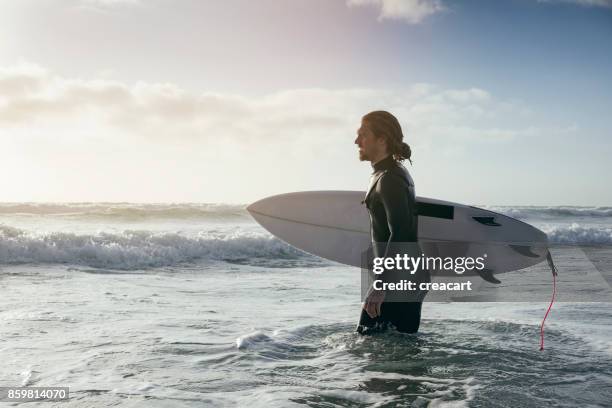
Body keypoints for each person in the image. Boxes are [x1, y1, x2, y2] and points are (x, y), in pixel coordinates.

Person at [354, 110, 429, 334]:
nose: (357, 141)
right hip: (403, 276)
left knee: (371, 346)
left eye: (363, 135)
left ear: (382, 139)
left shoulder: (389, 179)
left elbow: (401, 233)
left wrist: (380, 285)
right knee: (392, 353)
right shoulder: (387, 174)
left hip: (399, 279)